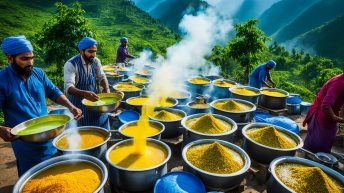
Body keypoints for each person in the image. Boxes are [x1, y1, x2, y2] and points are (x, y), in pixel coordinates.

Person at [0, 35, 83, 176]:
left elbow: (53, 91)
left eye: (31, 58)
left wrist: (71, 106)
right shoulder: (2, 80)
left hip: (49, 135)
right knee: (33, 177)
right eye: (24, 59)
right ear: (10, 58)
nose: (30, 62)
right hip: (25, 143)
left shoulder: (38, 73)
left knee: (54, 173)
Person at [64, 37, 110, 129]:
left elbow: (101, 77)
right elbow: (68, 87)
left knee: (101, 128)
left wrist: (106, 88)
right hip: (79, 106)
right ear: (81, 51)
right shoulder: (71, 64)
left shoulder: (96, 61)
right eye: (90, 51)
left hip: (94, 102)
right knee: (83, 133)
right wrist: (84, 93)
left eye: (94, 51)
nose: (93, 54)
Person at [303, 68, 344, 153]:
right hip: (323, 115)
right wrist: (336, 118)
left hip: (329, 114)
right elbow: (326, 105)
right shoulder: (339, 83)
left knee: (325, 142)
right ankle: (310, 160)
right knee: (317, 145)